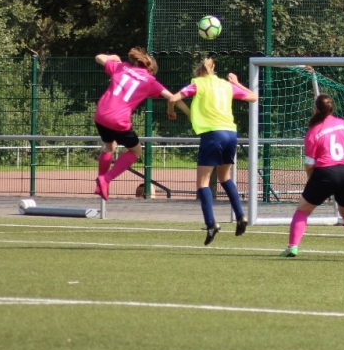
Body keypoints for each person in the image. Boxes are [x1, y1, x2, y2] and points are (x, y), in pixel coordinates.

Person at [167, 58, 256, 245]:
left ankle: (211, 224)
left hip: (213, 134)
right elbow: (253, 97)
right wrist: (236, 83)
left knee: (202, 182)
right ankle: (241, 216)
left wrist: (171, 110)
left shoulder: (198, 84)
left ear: (198, 72)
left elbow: (174, 98)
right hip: (230, 133)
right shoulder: (226, 85)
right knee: (225, 177)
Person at [283, 94, 344, 258]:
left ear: (315, 109)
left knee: (302, 210)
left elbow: (309, 163)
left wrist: (312, 179)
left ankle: (293, 247)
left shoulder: (313, 131)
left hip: (325, 173)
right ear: (331, 108)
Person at [94, 49, 186, 200]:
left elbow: (99, 57)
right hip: (118, 120)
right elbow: (172, 98)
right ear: (151, 71)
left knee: (109, 147)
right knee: (136, 151)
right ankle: (106, 179)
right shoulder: (150, 81)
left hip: (100, 115)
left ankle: (100, 182)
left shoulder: (122, 67)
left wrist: (114, 56)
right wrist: (182, 112)